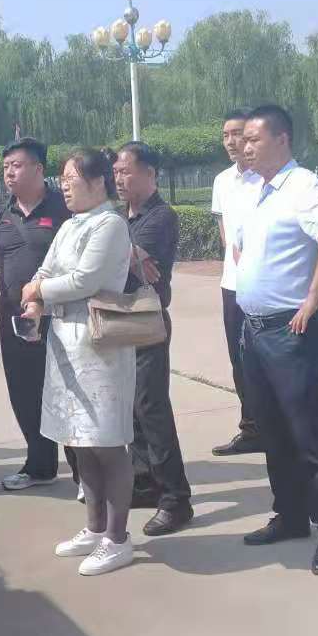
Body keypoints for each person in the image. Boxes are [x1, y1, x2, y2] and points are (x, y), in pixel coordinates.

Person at [233, 105, 318, 576]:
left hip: (290, 329)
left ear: (282, 140)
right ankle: (290, 515)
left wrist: (313, 296)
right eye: (242, 139)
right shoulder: (255, 190)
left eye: (253, 139)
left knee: (307, 434)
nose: (244, 147)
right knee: (273, 432)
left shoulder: (301, 185)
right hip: (254, 330)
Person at [20, 149, 140, 576]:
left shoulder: (110, 225)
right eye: (63, 179)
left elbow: (85, 280)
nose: (64, 186)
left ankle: (118, 538)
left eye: (71, 178)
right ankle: (94, 527)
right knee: (79, 440)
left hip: (98, 345)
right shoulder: (71, 225)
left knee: (107, 442)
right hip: (64, 343)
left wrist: (38, 291)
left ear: (98, 182)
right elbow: (47, 268)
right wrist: (35, 297)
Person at [0, 137, 77, 491]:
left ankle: (84, 472)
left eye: (17, 165)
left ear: (39, 169)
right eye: (6, 167)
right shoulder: (0, 212)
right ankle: (40, 465)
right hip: (14, 317)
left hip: (60, 315)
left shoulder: (64, 208)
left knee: (67, 391)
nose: (9, 172)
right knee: (24, 390)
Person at [114, 141, 194, 536]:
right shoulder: (119, 218)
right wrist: (124, 253)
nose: (119, 179)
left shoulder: (160, 217)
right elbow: (115, 258)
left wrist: (120, 251)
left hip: (146, 319)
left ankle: (176, 498)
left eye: (126, 171)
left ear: (149, 173)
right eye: (115, 172)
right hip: (118, 319)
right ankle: (145, 482)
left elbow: (127, 263)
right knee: (131, 409)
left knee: (151, 408)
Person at [209, 110, 264, 456]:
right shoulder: (222, 181)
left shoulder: (268, 179)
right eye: (226, 135)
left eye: (238, 133)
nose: (231, 141)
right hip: (232, 284)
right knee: (239, 359)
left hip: (266, 286)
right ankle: (252, 428)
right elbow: (225, 234)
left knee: (269, 359)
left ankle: (280, 427)